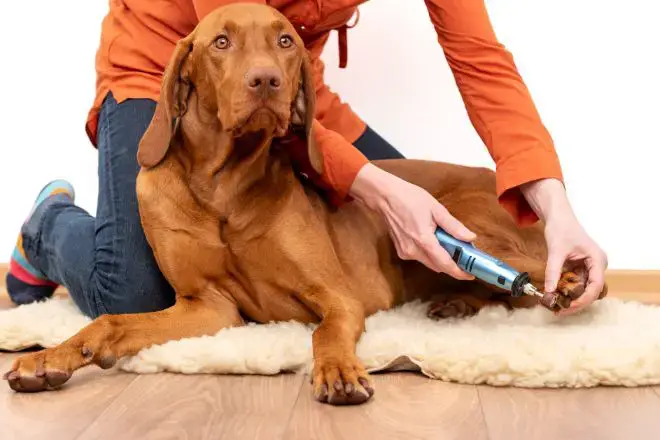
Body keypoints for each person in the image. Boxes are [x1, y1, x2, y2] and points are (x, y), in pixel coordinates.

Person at [6, 0, 607, 319]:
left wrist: (554, 209)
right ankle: (46, 230)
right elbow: (232, 52)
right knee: (133, 291)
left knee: (433, 240)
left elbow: (482, 61)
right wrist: (374, 185)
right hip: (170, 74)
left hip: (280, 85)